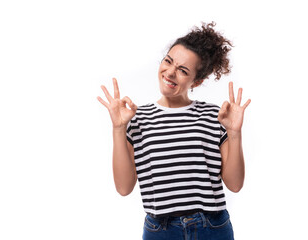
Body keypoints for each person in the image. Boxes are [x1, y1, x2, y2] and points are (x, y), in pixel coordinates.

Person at [97, 22, 251, 240]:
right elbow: (123, 188)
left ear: (197, 81)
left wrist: (234, 133)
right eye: (168, 61)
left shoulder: (214, 116)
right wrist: (119, 128)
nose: (170, 73)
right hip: (161, 230)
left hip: (212, 228)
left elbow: (234, 185)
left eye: (183, 70)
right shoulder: (137, 117)